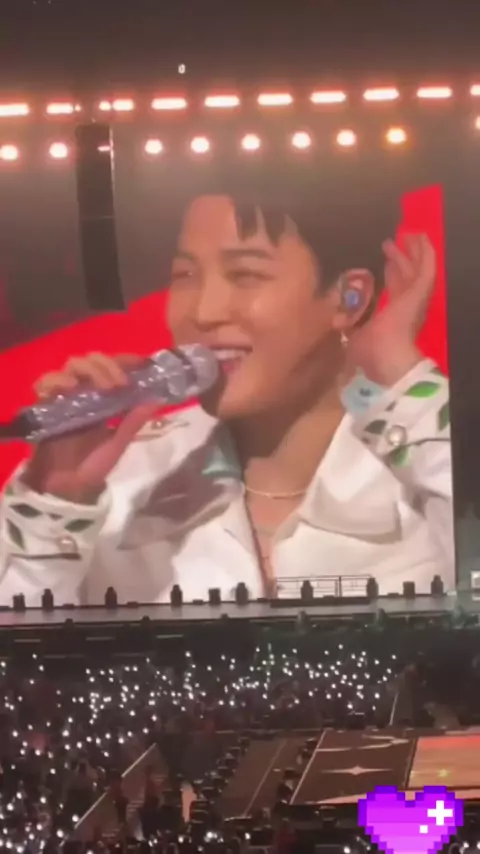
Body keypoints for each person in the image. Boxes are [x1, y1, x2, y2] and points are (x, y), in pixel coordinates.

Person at [0, 185, 452, 605]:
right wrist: (56, 503)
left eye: (246, 274)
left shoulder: (425, 461)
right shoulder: (121, 481)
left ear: (349, 298)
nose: (203, 311)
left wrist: (400, 371)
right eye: (185, 274)